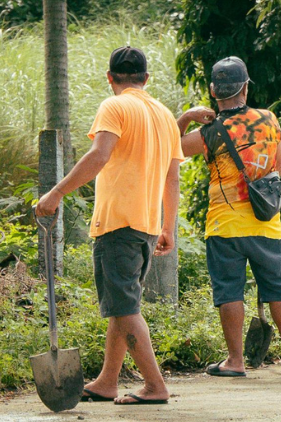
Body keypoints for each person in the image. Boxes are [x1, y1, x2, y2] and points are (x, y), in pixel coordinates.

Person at [35, 46, 183, 405]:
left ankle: (154, 386)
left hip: (118, 221)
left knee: (125, 307)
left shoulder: (114, 106)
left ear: (110, 77)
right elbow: (172, 176)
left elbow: (99, 155)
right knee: (122, 304)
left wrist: (55, 193)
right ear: (146, 78)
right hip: (146, 224)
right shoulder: (164, 115)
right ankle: (107, 381)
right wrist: (168, 227)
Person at [178, 56, 281, 376]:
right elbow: (277, 169)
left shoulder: (210, 132)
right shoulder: (269, 119)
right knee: (279, 288)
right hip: (266, 223)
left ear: (213, 90)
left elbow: (171, 148)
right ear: (245, 87)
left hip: (224, 225)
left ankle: (235, 362)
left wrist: (185, 117)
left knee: (229, 292)